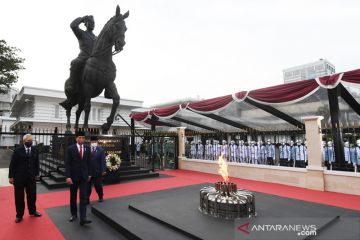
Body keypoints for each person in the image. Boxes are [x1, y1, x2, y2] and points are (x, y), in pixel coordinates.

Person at [60, 15, 97, 109]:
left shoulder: (97, 38)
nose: (92, 24)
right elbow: (73, 25)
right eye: (90, 22)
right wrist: (82, 18)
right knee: (74, 62)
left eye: (93, 23)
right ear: (86, 24)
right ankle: (71, 84)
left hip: (94, 60)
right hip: (83, 58)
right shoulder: (81, 33)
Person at [8, 134, 41, 223]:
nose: (30, 142)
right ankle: (19, 215)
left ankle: (32, 211)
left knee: (32, 196)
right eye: (28, 140)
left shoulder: (35, 150)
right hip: (19, 178)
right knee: (19, 197)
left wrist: (37, 174)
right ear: (23, 141)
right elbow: (12, 164)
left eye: (31, 140)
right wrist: (10, 176)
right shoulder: (18, 151)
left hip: (31, 177)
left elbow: (36, 163)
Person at [65, 131, 92, 226]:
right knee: (73, 196)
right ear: (76, 138)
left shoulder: (87, 148)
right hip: (73, 177)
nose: (81, 139)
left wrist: (89, 174)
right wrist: (68, 176)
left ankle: (83, 218)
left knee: (84, 197)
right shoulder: (70, 149)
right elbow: (67, 163)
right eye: (79, 137)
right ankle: (73, 214)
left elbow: (89, 162)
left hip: (84, 177)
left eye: (83, 138)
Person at [87, 136, 106, 204]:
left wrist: (103, 170)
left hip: (97, 172)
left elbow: (103, 161)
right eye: (92, 142)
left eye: (95, 142)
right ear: (90, 142)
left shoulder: (101, 150)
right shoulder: (87, 149)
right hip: (88, 172)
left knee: (98, 186)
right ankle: (87, 199)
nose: (94, 143)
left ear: (97, 142)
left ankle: (100, 196)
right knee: (87, 187)